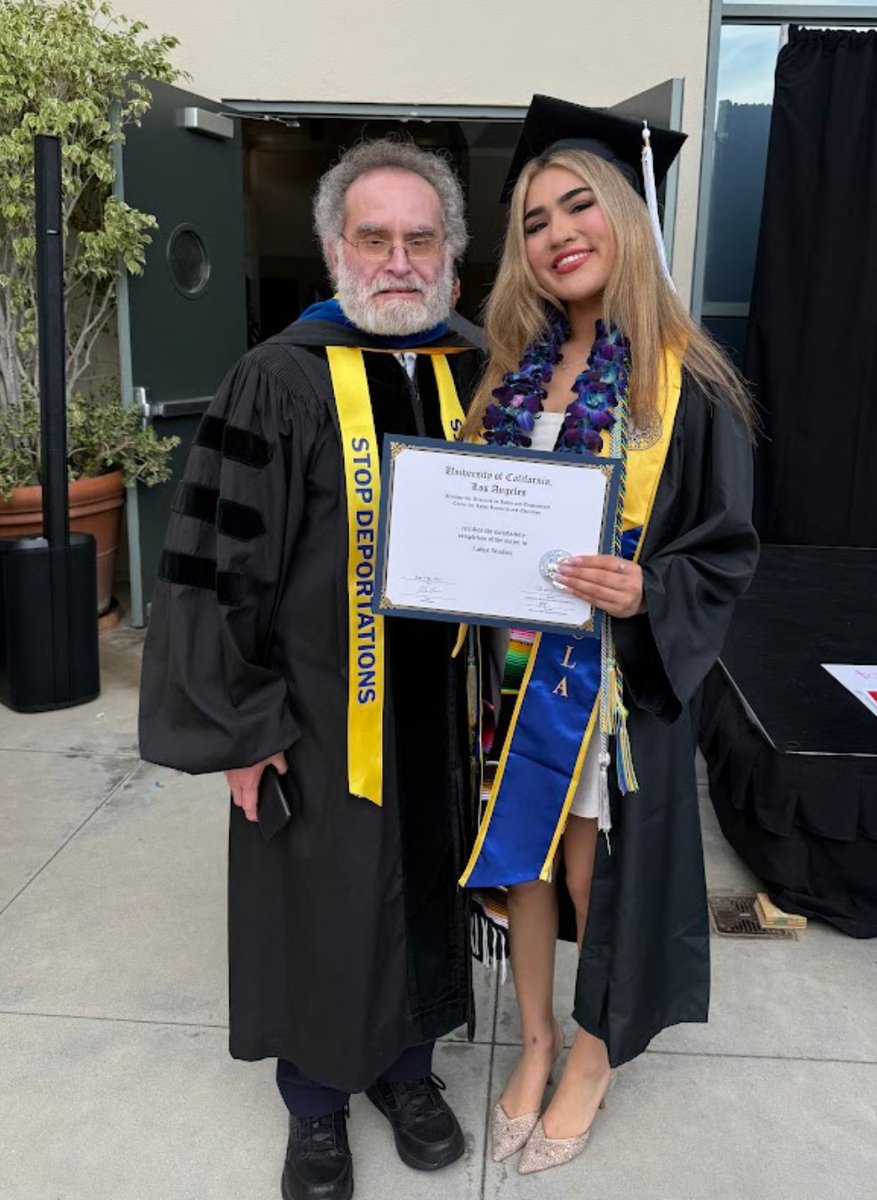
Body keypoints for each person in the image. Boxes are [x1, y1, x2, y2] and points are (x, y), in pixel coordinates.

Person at [138, 139, 484, 1200]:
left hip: (445, 708)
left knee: (427, 887)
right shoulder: (278, 379)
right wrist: (240, 726)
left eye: (420, 238)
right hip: (320, 711)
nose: (398, 260)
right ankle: (317, 1101)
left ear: (452, 256)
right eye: (374, 238)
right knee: (323, 901)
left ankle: (408, 1071)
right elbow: (215, 566)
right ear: (336, 250)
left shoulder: (479, 367)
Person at [458, 94, 760, 1173]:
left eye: (580, 206)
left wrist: (646, 590)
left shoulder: (688, 377)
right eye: (535, 220)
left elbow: (727, 549)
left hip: (614, 681)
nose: (558, 234)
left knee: (591, 866)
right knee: (524, 860)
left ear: (627, 216)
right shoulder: (511, 369)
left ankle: (593, 1051)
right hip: (512, 661)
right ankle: (535, 1038)